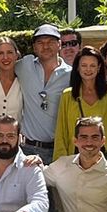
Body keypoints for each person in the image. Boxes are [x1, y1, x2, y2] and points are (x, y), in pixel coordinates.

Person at [54, 46, 107, 157]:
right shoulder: (68, 95)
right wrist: (59, 160)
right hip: (77, 156)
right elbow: (61, 132)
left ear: (99, 67)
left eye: (92, 65)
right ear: (77, 67)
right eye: (84, 65)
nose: (88, 69)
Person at [16, 24, 71, 162]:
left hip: (59, 150)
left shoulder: (71, 74)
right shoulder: (24, 65)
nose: (45, 46)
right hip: (27, 149)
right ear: (34, 47)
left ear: (59, 44)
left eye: (51, 42)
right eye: (40, 42)